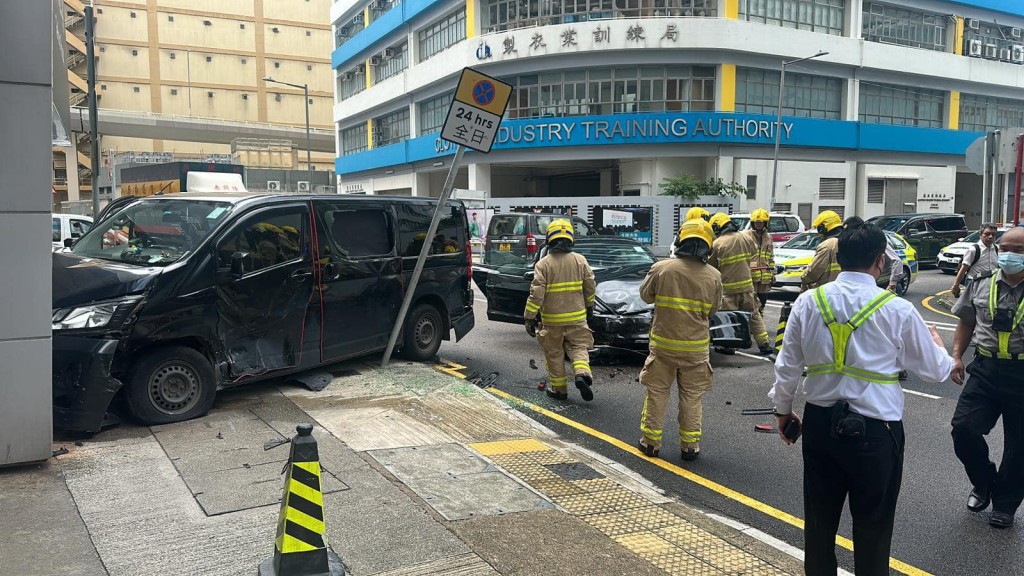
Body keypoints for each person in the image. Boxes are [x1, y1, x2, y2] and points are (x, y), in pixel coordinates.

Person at [770, 218, 952, 576]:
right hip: (876, 431)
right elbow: (936, 371)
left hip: (820, 426)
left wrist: (783, 411)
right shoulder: (896, 309)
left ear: (837, 257)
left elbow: (787, 365)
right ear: (881, 260)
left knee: (819, 524)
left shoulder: (808, 302)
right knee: (873, 526)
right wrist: (940, 348)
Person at [950, 225, 1024, 529]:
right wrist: (957, 355)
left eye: (1018, 251)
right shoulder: (980, 284)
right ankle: (984, 483)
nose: (1009, 255)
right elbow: (966, 321)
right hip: (986, 368)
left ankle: (1005, 504)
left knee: (1019, 446)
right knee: (963, 429)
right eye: (1006, 248)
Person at [637, 219, 722, 461]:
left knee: (657, 393)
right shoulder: (714, 276)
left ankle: (650, 443)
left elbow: (645, 296)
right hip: (696, 349)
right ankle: (690, 446)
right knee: (692, 397)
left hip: (663, 345)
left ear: (679, 241)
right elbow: (713, 310)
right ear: (708, 246)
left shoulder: (662, 268)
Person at [524, 219, 597, 402]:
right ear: (570, 238)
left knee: (554, 354)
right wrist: (590, 306)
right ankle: (581, 373)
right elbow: (590, 286)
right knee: (578, 348)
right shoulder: (580, 260)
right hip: (577, 319)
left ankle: (560, 391)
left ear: (550, 239)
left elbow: (536, 294)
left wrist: (529, 317)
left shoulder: (543, 264)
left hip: (552, 321)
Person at [708, 212, 773, 355]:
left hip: (728, 289)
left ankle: (729, 346)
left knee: (729, 318)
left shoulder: (717, 244)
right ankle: (764, 344)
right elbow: (753, 254)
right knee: (754, 315)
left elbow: (711, 266)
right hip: (747, 287)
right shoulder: (745, 237)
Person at [951, 224, 999, 298]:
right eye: (987, 234)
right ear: (980, 235)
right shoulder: (973, 250)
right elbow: (963, 269)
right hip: (974, 283)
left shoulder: (996, 249)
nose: (990, 237)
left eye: (993, 234)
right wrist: (956, 285)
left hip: (991, 284)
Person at [801, 210, 843, 292]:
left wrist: (804, 278)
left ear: (823, 228)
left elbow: (814, 272)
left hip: (826, 290)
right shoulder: (850, 240)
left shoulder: (827, 245)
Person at [746, 208, 775, 311]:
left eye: (761, 222)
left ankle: (760, 324)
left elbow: (770, 257)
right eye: (756, 222)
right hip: (751, 277)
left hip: (765, 278)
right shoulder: (746, 236)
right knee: (750, 304)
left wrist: (773, 273)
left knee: (762, 304)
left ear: (765, 223)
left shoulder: (768, 238)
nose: (758, 224)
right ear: (752, 222)